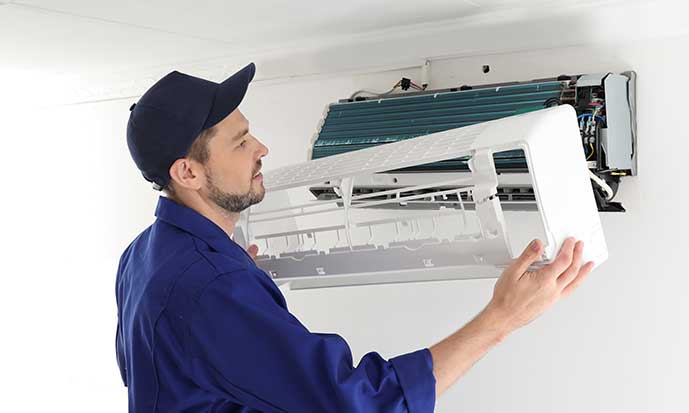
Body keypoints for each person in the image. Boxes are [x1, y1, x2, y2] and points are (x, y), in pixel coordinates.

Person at [116, 62, 594, 412]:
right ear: (188, 172)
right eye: (240, 143)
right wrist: (501, 319)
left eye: (251, 133)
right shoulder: (209, 286)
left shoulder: (144, 256)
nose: (262, 149)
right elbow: (356, 404)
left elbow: (152, 371)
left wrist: (234, 285)